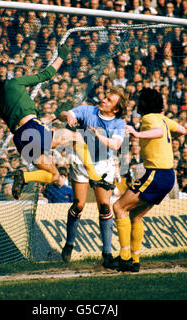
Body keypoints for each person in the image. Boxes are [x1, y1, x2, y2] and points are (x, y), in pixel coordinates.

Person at [112, 88, 187, 272]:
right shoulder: (163, 118)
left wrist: (137, 134)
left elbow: (159, 133)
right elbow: (183, 130)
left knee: (118, 207)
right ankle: (135, 260)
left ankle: (124, 257)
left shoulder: (148, 119)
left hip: (156, 173)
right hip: (168, 176)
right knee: (136, 215)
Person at [0, 44, 70, 200]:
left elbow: (26, 125)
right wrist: (61, 57)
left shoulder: (1, 108)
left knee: (55, 175)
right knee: (74, 136)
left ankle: (25, 177)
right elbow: (45, 75)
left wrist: (55, 114)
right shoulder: (13, 83)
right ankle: (95, 177)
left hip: (21, 139)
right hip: (32, 129)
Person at [54, 86, 127, 268]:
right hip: (81, 161)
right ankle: (69, 244)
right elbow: (64, 113)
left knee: (104, 205)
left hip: (103, 164)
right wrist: (68, 116)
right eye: (105, 97)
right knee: (79, 204)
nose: (104, 100)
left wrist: (99, 137)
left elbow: (116, 145)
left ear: (116, 109)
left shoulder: (119, 123)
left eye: (109, 100)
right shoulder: (88, 111)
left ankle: (107, 252)